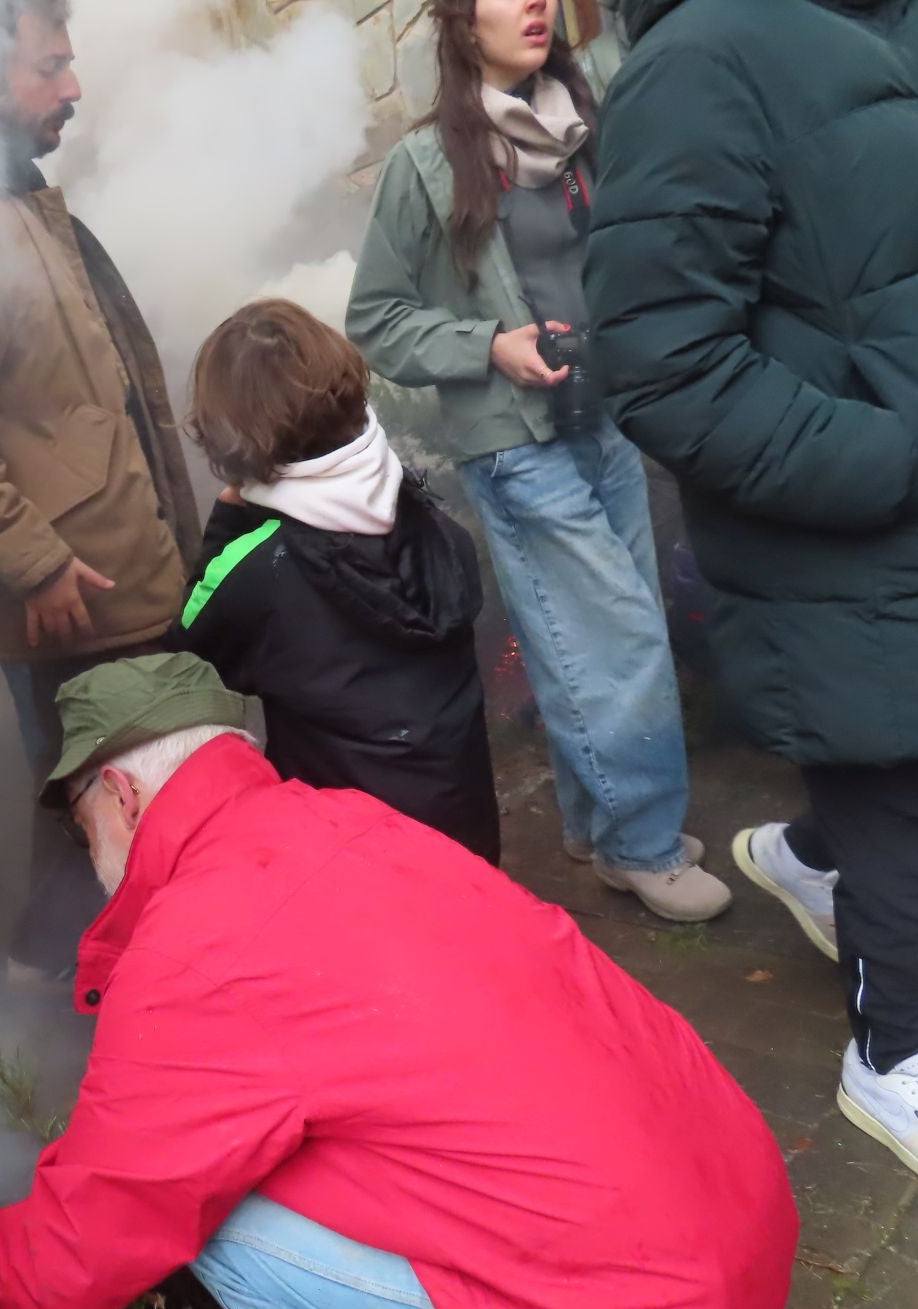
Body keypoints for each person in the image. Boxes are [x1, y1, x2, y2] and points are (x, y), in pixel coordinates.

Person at [0, 653, 797, 1309]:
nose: (92, 859)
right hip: (745, 1236)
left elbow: (97, 1230)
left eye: (83, 832)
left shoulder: (199, 946)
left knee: (216, 1229)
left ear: (119, 792)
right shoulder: (348, 823)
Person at [585, 0, 918, 1210]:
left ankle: (812, 857)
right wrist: (888, 464)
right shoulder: (701, 62)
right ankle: (892, 1058)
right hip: (856, 524)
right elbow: (663, 362)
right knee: (917, 805)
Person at [346, 0, 729, 923]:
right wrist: (487, 345)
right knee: (621, 641)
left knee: (581, 640)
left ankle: (598, 828)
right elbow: (377, 320)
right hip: (517, 443)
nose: (537, 4)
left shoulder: (582, 122)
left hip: (606, 420)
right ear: (456, 20)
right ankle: (642, 844)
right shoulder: (427, 163)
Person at [0, 0, 202, 980]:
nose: (72, 88)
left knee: (102, 802)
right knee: (104, 811)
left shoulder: (13, 195)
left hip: (112, 575)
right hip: (79, 592)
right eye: (51, 67)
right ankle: (79, 997)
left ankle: (76, 979)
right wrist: (33, 559)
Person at [171, 299, 500, 862]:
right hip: (466, 835)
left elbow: (194, 649)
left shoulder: (255, 569)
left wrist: (229, 521)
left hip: (355, 856)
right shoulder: (430, 522)